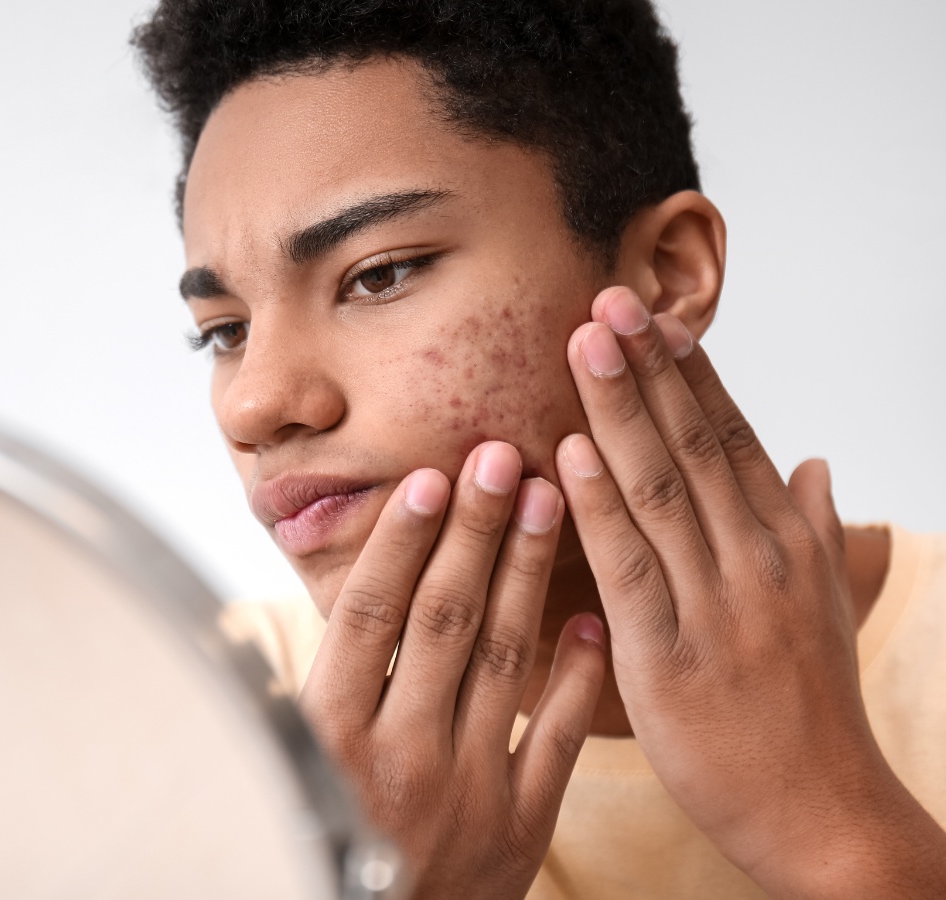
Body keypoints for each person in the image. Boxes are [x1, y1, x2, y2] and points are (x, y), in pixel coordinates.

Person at [132, 2, 946, 897]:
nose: (253, 404)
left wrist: (841, 831)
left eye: (380, 274)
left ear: (669, 272)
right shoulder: (179, 729)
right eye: (223, 331)